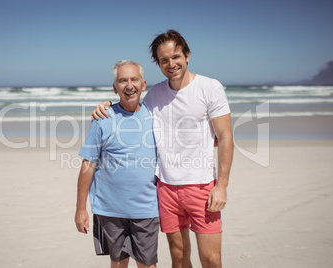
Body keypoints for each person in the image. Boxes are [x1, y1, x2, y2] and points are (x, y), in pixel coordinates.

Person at [92, 30, 233, 268]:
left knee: (211, 260)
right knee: (178, 258)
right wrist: (107, 105)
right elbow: (130, 107)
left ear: (187, 55)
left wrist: (222, 186)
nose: (171, 64)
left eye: (176, 56)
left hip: (202, 185)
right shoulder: (155, 94)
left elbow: (226, 138)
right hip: (166, 188)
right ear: (158, 64)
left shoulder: (210, 88)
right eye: (164, 60)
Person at [75, 60, 159, 268]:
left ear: (143, 84)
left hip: (146, 208)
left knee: (147, 264)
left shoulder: (156, 115)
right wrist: (80, 209)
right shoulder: (102, 118)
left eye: (134, 80)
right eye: (122, 81)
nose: (129, 85)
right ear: (115, 87)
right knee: (118, 263)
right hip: (110, 209)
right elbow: (88, 164)